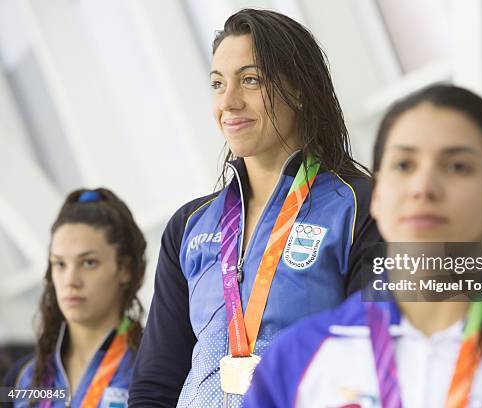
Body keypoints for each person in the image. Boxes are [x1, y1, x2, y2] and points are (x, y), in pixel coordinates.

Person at [243, 84, 482, 407]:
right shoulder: (297, 357)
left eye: (457, 167)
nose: (424, 187)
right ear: (377, 197)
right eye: (404, 165)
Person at [128, 8, 380, 408]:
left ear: (298, 90)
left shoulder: (360, 206)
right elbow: (156, 383)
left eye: (250, 80)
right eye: (217, 84)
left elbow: (374, 359)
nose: (228, 102)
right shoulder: (189, 226)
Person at [4, 188, 146, 407]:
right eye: (60, 264)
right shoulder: (23, 377)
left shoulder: (151, 367)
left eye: (89, 263)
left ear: (125, 269)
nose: (71, 280)